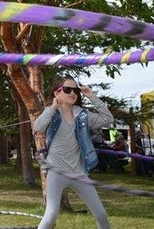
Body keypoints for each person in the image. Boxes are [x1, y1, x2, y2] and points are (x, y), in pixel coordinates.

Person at [33, 76, 114, 229]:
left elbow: (108, 119)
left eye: (75, 90)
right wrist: (52, 108)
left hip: (79, 173)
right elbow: (38, 127)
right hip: (56, 172)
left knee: (101, 215)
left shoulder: (83, 115)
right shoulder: (52, 113)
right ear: (57, 93)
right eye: (67, 89)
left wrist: (92, 96)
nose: (72, 93)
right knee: (50, 216)